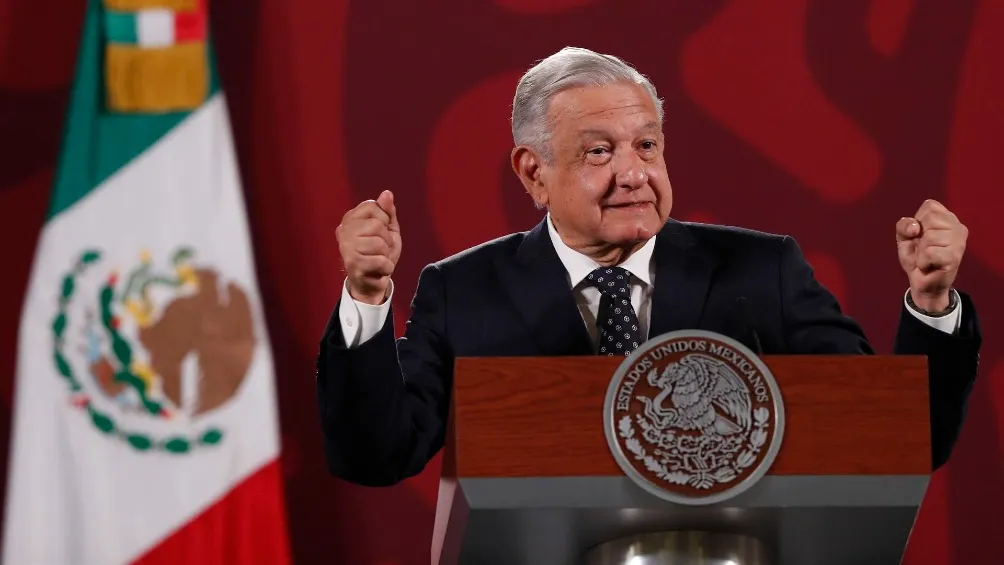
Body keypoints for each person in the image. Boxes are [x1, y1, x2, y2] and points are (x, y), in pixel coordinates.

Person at [316, 47, 981, 487]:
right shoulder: (462, 292)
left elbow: (896, 438)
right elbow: (379, 455)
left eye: (647, 145)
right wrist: (367, 299)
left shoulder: (760, 271)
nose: (634, 173)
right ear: (534, 172)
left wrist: (930, 305)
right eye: (599, 151)